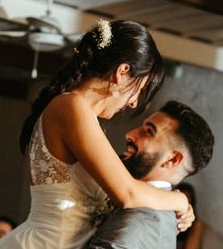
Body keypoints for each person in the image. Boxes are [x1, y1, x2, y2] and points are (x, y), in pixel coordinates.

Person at [0, 20, 193, 249]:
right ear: (122, 72)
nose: (133, 102)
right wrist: (180, 200)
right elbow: (127, 193)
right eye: (138, 89)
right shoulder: (71, 107)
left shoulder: (81, 113)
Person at [87, 100, 215, 249]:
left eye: (148, 132)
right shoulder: (163, 209)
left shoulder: (142, 223)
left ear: (172, 159)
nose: (129, 134)